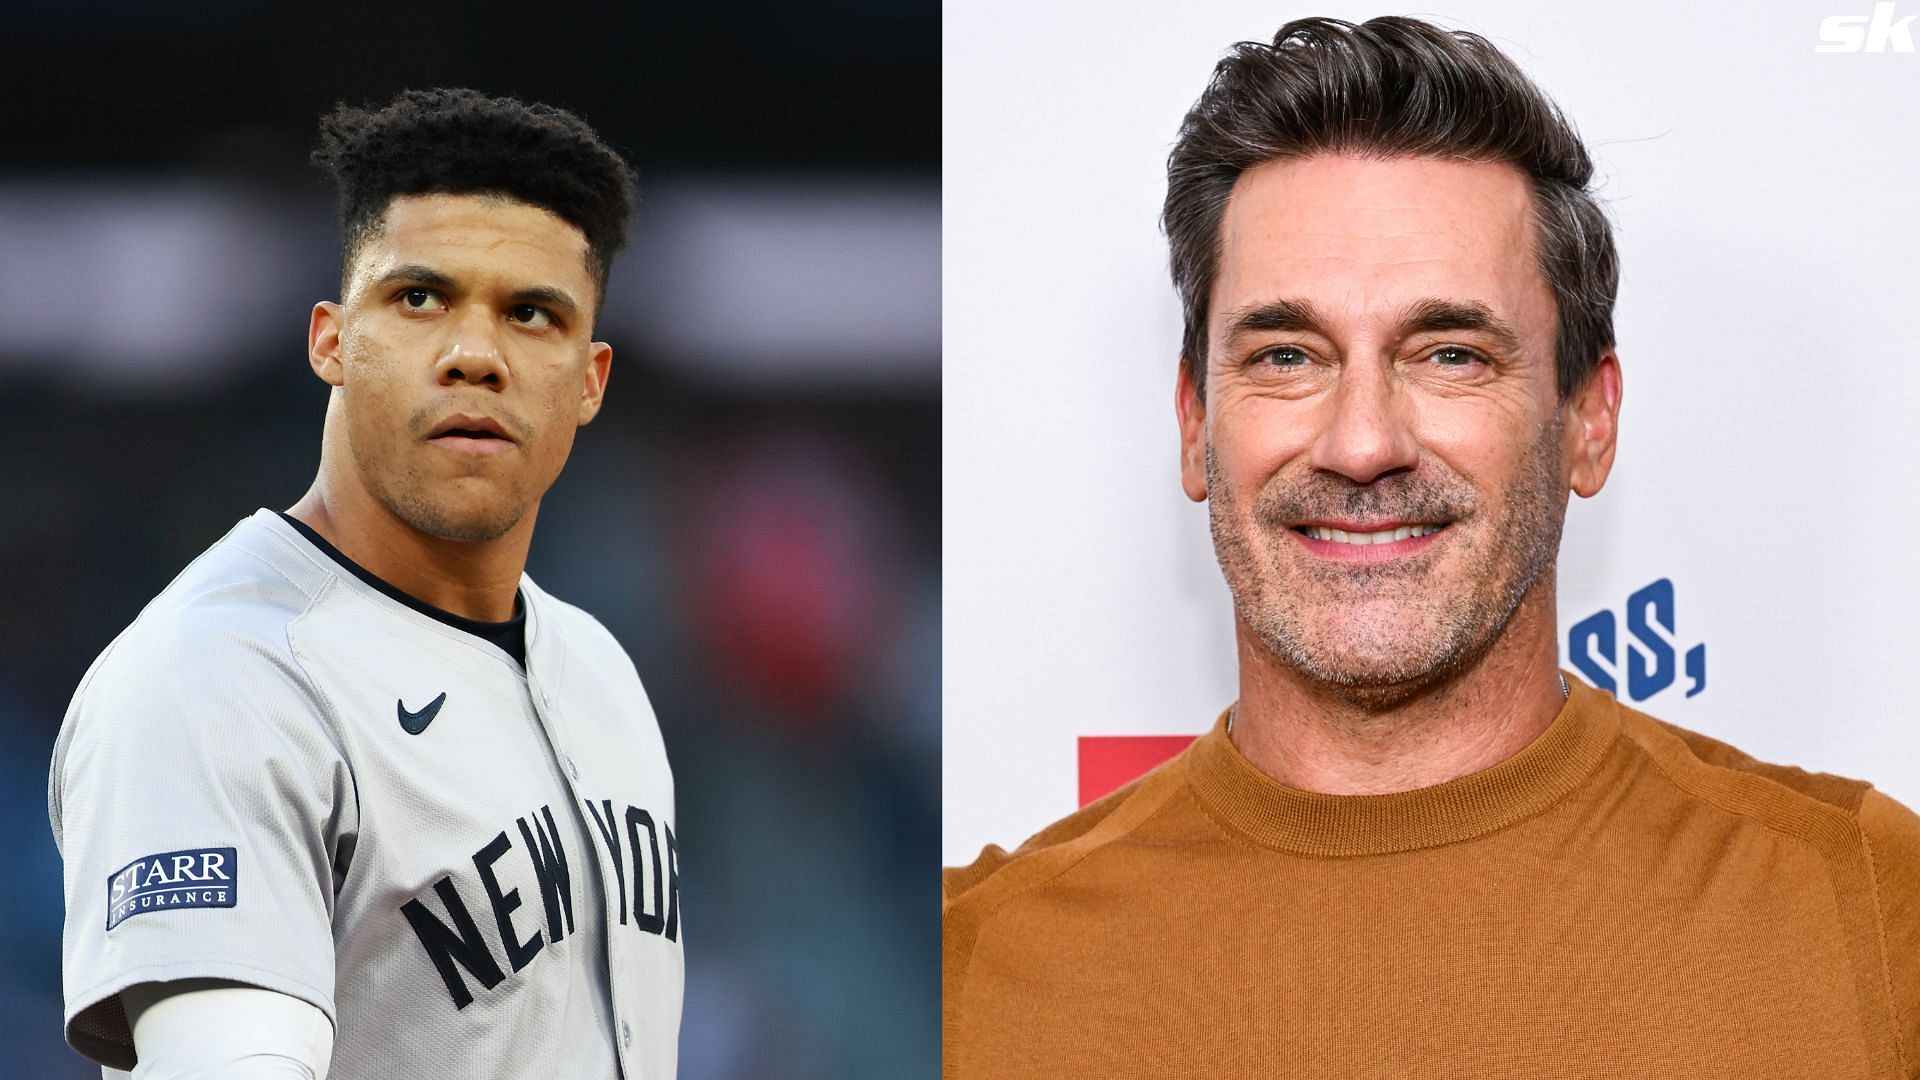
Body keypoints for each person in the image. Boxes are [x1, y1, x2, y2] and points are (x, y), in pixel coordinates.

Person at [942, 17, 1920, 1079]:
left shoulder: (1868, 907)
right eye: (1286, 355)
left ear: (1589, 421)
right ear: (1194, 425)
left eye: (1450, 353)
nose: (1364, 443)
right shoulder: (966, 973)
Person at [49, 88, 682, 1079]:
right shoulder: (218, 681)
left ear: (590, 379)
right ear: (331, 340)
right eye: (420, 297)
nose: (476, 356)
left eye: (531, 313)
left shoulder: (601, 668)